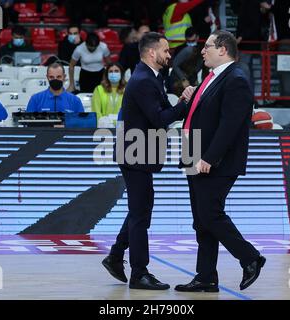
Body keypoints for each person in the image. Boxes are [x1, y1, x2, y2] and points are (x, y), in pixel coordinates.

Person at [175, 30, 265, 292]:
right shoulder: (211, 77)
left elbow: (230, 125)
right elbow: (206, 115)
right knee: (201, 220)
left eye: (208, 46)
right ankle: (205, 277)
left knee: (210, 214)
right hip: (195, 156)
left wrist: (210, 158)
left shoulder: (236, 79)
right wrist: (193, 96)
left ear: (223, 49)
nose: (202, 51)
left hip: (216, 161)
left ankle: (250, 258)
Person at [101, 32, 190, 290]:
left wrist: (180, 102)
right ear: (152, 53)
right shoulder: (142, 80)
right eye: (165, 50)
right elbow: (160, 119)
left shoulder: (150, 76)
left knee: (140, 210)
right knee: (141, 215)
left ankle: (116, 256)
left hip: (138, 154)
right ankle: (139, 273)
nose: (169, 54)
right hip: (135, 154)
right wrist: (185, 103)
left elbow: (160, 113)